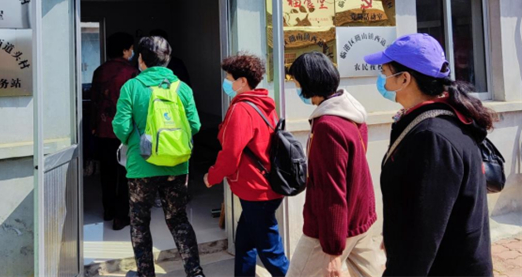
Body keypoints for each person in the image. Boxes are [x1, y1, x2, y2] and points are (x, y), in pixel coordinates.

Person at [364, 33, 495, 276]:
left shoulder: (432, 138)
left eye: (384, 72)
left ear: (404, 78)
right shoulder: (432, 121)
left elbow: (421, 237)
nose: (382, 80)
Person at [113, 36, 205, 277]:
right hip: (177, 165)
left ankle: (146, 274)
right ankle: (195, 273)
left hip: (141, 167)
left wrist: (138, 141)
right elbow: (195, 126)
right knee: (179, 219)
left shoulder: (132, 87)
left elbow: (121, 127)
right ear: (168, 59)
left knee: (140, 223)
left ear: (141, 59)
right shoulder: (182, 88)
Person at [286, 52, 382, 277]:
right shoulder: (351, 113)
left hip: (330, 229)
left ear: (308, 83)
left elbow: (331, 190)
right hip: (360, 216)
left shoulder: (327, 126)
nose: (296, 87)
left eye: (297, 82)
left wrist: (332, 249)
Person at [204, 53, 289, 277]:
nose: (226, 82)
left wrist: (212, 176)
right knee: (244, 244)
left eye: (229, 78)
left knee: (271, 254)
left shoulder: (241, 109)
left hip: (257, 191)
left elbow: (230, 155)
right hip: (266, 186)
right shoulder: (264, 104)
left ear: (242, 81)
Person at [90, 32, 138, 230]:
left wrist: (94, 125)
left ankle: (108, 210)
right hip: (126, 132)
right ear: (125, 50)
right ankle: (121, 216)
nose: (132, 52)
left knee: (107, 172)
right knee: (126, 172)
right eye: (131, 48)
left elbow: (94, 101)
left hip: (103, 129)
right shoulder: (132, 73)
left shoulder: (99, 71)